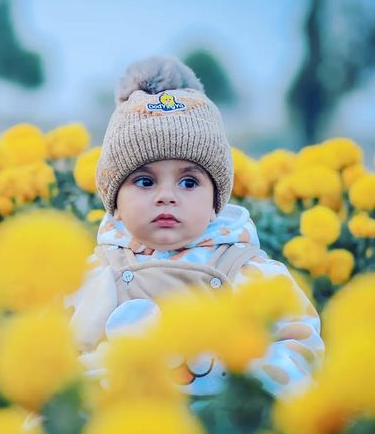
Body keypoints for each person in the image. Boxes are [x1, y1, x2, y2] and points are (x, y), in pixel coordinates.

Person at [66, 56, 324, 399]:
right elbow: (61, 357)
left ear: (216, 197)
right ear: (114, 200)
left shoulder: (248, 272)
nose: (166, 196)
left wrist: (236, 373)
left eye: (189, 183)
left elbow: (302, 348)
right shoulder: (95, 275)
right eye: (144, 181)